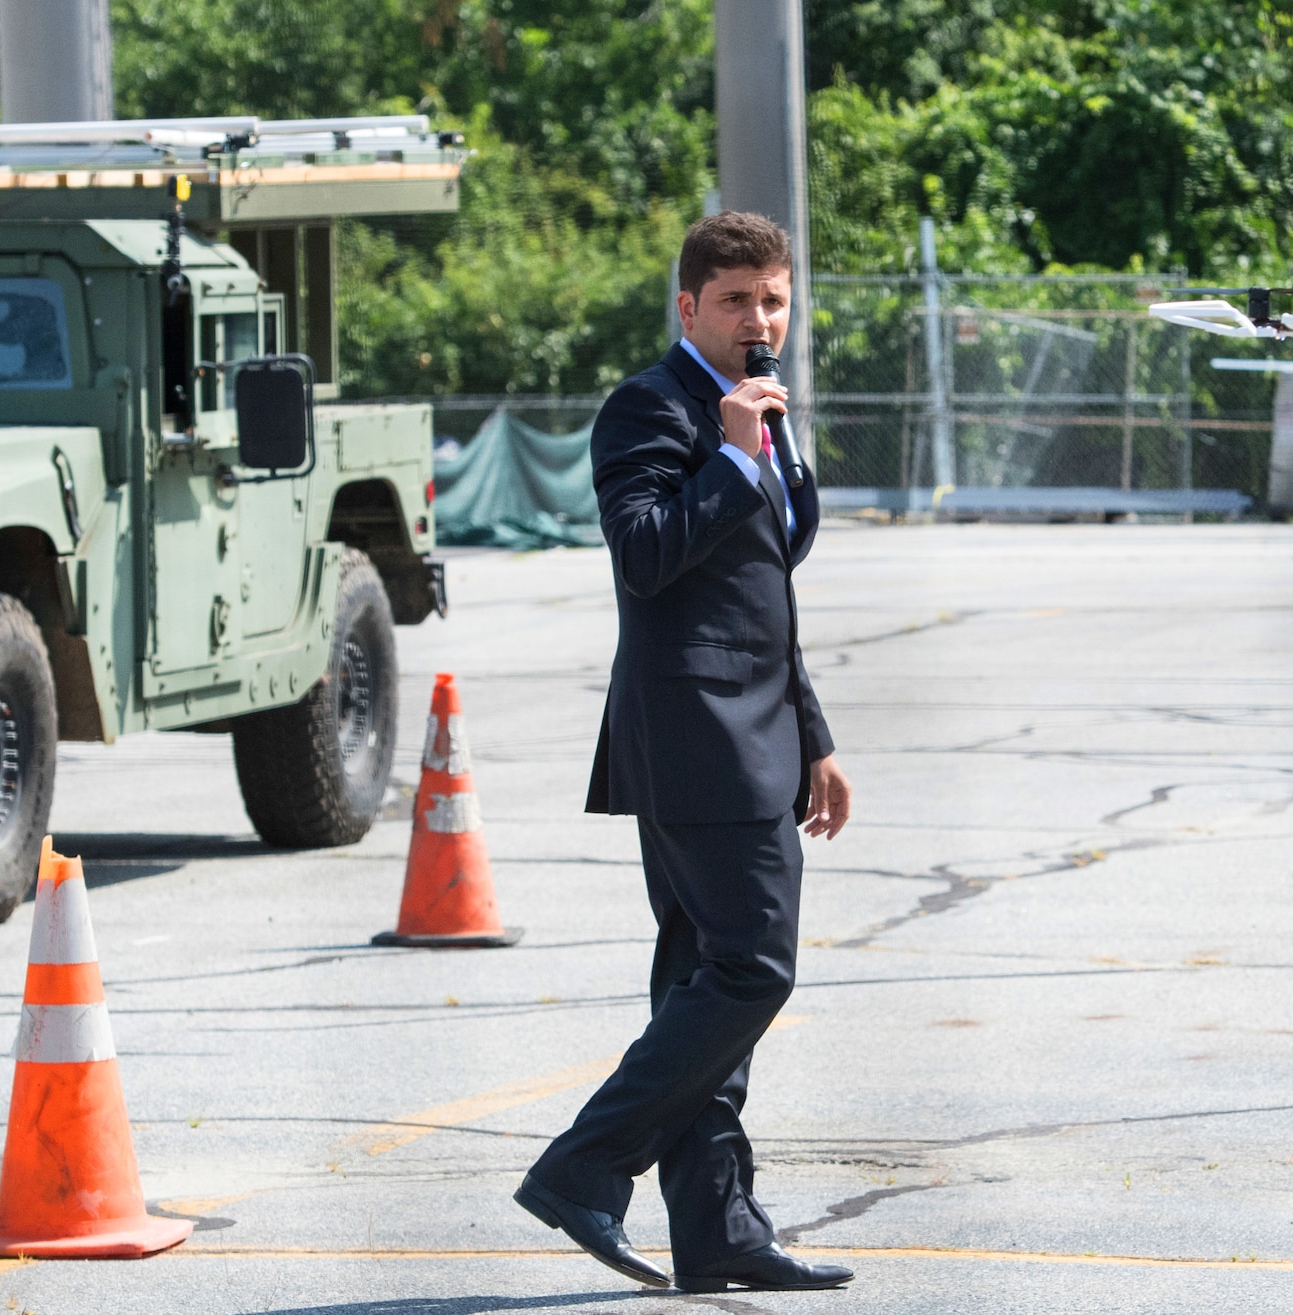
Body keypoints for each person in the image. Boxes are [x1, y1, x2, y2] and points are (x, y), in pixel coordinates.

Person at [513, 211, 854, 1295]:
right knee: (754, 965)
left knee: (699, 983)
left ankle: (716, 1231)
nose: (761, 320)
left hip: (758, 730)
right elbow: (647, 554)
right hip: (694, 738)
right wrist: (732, 449)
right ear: (686, 309)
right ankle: (583, 1165)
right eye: (736, 301)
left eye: (774, 299)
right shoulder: (650, 408)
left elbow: (766, 594)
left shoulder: (766, 415)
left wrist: (815, 737)